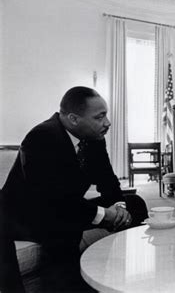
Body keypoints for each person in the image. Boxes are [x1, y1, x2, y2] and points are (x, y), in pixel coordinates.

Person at [2, 86, 148, 291]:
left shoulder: (94, 138)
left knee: (137, 203)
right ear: (73, 119)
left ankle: (119, 274)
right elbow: (52, 200)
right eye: (99, 117)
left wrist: (119, 207)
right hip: (28, 214)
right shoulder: (41, 137)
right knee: (63, 227)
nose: (107, 123)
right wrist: (103, 214)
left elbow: (108, 181)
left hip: (67, 206)